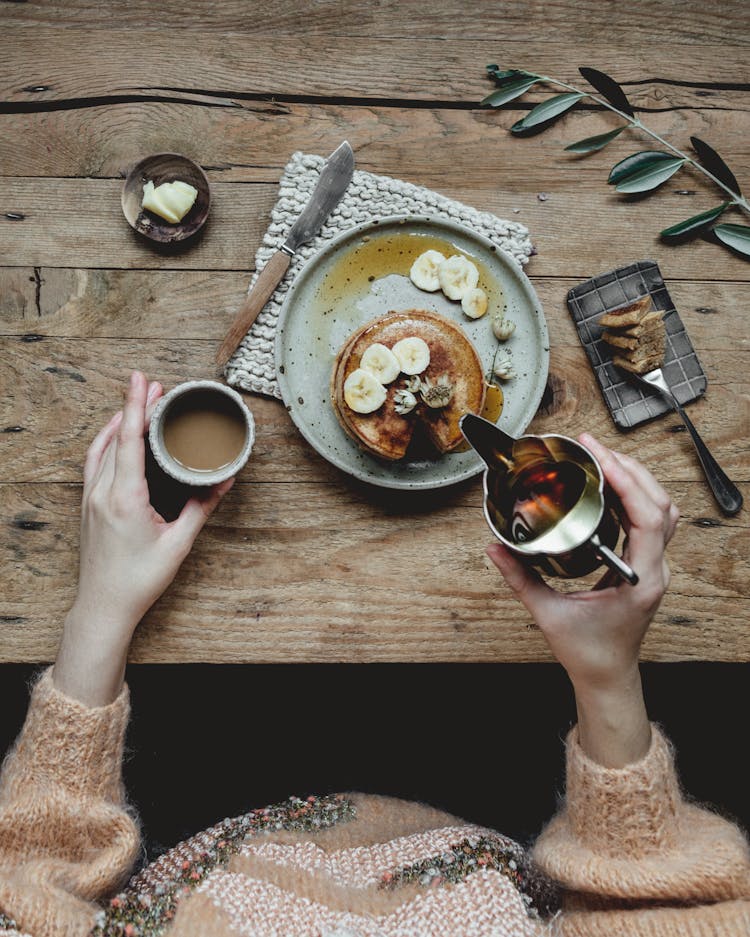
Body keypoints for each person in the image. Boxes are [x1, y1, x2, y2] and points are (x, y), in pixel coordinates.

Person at [0, 371, 747, 937]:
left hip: (203, 816)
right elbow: (660, 906)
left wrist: (97, 612)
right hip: (498, 811)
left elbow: (21, 886)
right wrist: (608, 677)